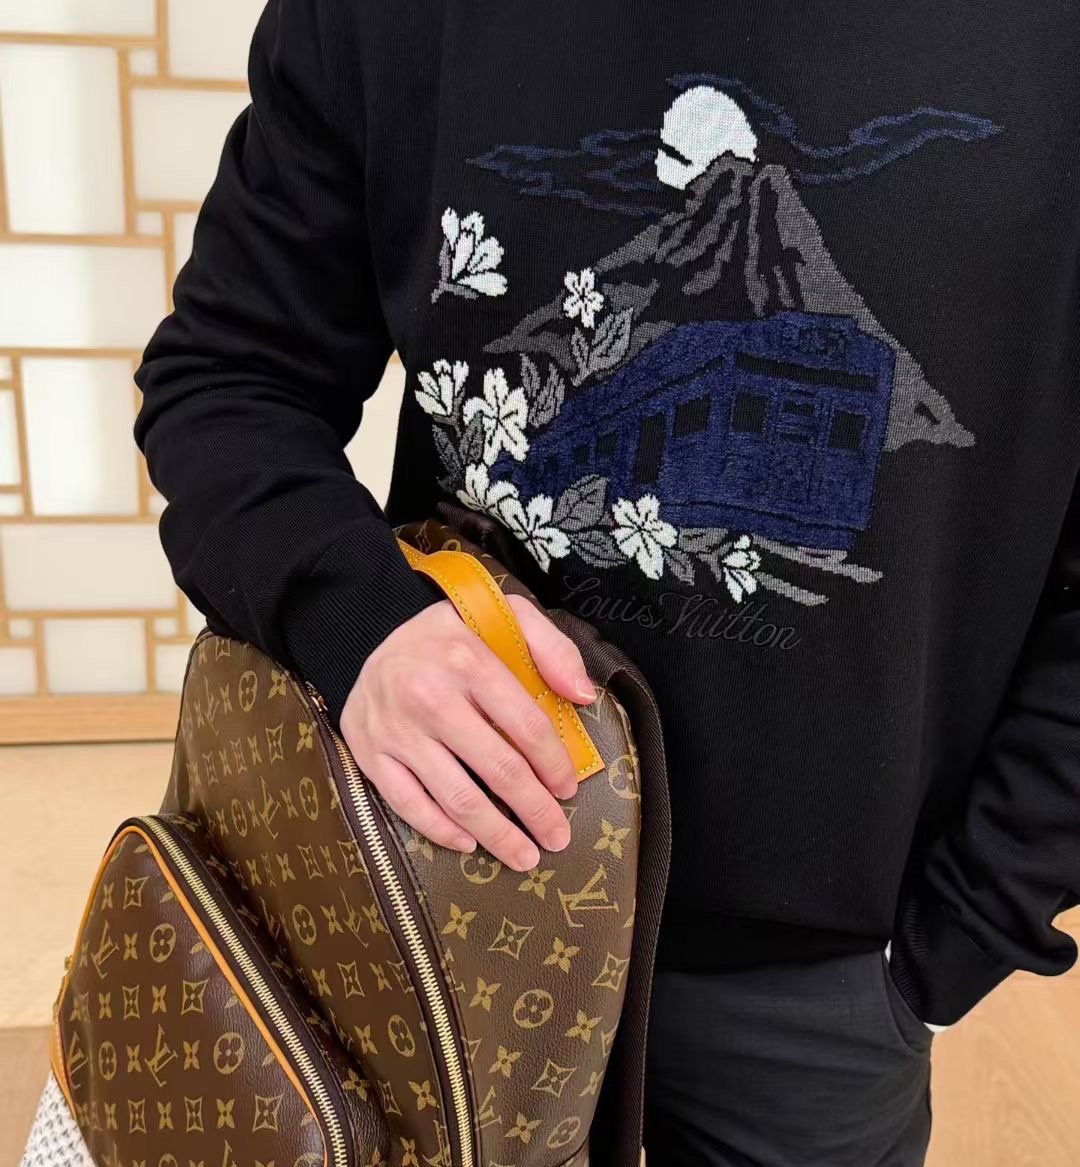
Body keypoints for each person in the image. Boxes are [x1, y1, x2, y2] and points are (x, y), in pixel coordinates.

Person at [133, 3, 1080, 1163]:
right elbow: (231, 376)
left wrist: (959, 937)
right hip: (439, 901)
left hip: (828, 992)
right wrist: (358, 622)